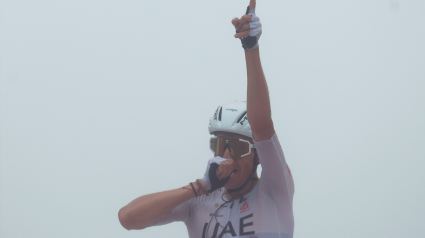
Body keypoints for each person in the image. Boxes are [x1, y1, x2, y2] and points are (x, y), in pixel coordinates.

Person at [118, 1, 295, 237]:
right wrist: (199, 188)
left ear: (258, 157)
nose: (227, 155)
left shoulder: (273, 190)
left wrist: (250, 48)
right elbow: (128, 218)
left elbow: (262, 126)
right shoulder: (199, 200)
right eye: (220, 145)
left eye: (239, 147)